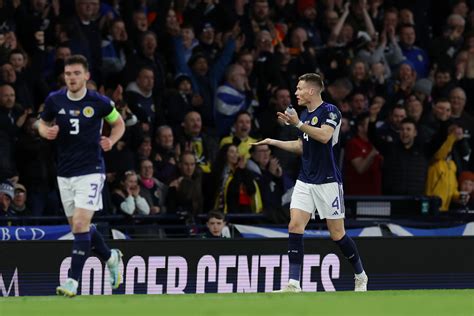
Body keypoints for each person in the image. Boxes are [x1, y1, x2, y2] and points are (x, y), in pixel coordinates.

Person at [252, 73, 368, 292]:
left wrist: (297, 123)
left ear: (312, 91)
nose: (296, 92)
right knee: (295, 225)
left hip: (328, 182)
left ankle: (360, 275)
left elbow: (324, 136)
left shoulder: (330, 111)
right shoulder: (305, 114)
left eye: (299, 88)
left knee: (337, 234)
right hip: (305, 180)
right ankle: (294, 283)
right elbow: (302, 147)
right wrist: (273, 142)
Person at [37, 55, 126, 297]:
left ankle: (72, 282)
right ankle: (111, 257)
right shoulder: (54, 100)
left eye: (77, 73)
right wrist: (47, 132)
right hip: (64, 173)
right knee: (80, 228)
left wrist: (111, 140)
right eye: (68, 74)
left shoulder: (99, 102)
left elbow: (119, 124)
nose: (72, 78)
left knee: (79, 224)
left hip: (91, 171)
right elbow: (41, 124)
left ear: (86, 76)